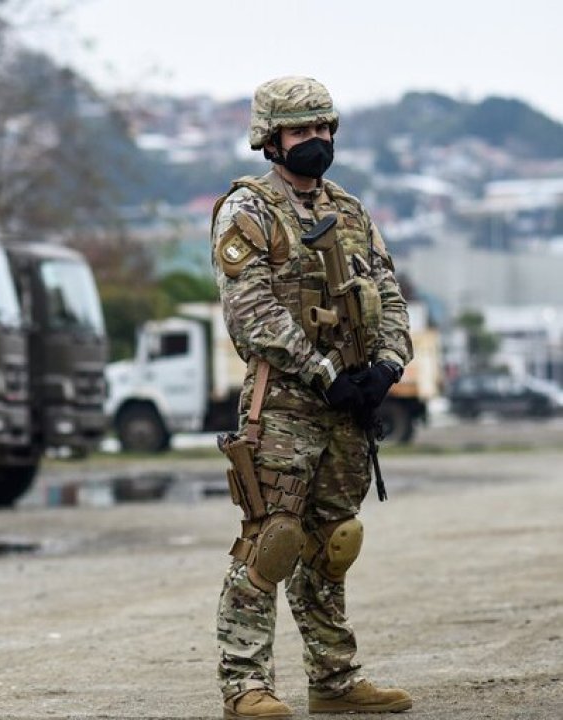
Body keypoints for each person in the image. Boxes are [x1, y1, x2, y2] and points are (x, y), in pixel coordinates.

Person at [209, 76, 414, 718]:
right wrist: (323, 371)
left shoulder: (350, 211)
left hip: (348, 410)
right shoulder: (248, 211)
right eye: (302, 130)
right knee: (271, 542)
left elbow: (389, 295)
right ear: (271, 140)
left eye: (324, 127)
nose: (316, 139)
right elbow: (252, 315)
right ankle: (245, 685)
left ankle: (334, 680)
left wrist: (386, 366)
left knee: (333, 544)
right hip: (283, 406)